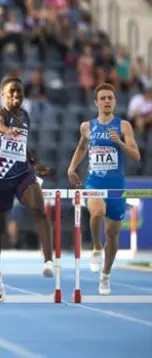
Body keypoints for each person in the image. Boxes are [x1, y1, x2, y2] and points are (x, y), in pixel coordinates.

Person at [67, 82, 140, 295]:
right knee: (96, 213)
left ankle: (105, 275)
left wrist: (120, 144)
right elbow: (81, 147)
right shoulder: (87, 127)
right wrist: (72, 168)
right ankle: (97, 249)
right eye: (103, 98)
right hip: (95, 182)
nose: (107, 101)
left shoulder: (124, 126)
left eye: (110, 98)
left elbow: (136, 156)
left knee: (113, 233)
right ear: (96, 102)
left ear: (115, 102)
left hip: (116, 184)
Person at [0, 77, 54, 302]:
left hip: (22, 174)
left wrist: (35, 165)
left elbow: (22, 148)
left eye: (20, 93)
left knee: (39, 208)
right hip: (0, 179)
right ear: (4, 96)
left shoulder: (25, 116)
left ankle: (48, 261)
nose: (16, 96)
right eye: (12, 92)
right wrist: (6, 130)